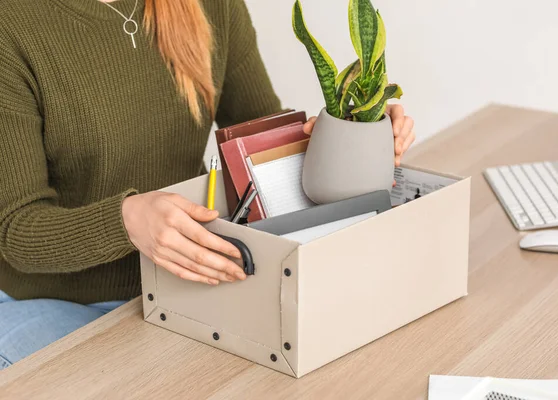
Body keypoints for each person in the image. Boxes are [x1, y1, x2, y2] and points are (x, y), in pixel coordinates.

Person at [0, 0, 416, 369]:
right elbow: (16, 228)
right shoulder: (13, 26)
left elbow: (258, 145)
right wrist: (127, 220)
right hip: (53, 298)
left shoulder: (213, 6)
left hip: (186, 286)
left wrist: (355, 130)